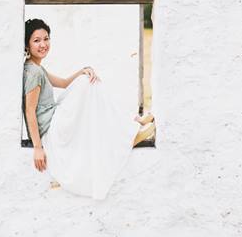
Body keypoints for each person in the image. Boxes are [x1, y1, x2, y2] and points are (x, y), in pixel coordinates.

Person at [22, 18, 156, 199]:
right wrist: (38, 148)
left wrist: (83, 70)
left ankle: (130, 123)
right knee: (89, 86)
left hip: (54, 122)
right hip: (52, 130)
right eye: (36, 40)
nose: (43, 44)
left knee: (88, 83)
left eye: (46, 39)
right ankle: (130, 128)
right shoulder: (33, 72)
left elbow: (64, 83)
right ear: (27, 45)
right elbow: (29, 111)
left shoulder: (36, 68)